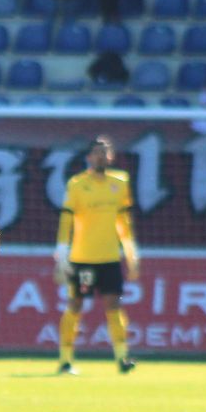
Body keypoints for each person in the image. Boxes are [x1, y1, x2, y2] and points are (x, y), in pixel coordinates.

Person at [53, 136, 138, 375]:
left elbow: (124, 222)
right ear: (89, 157)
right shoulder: (77, 184)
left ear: (111, 156)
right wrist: (61, 255)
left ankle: (122, 359)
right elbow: (66, 220)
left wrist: (132, 254)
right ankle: (65, 359)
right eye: (97, 152)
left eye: (105, 152)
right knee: (76, 305)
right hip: (84, 260)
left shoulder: (120, 182)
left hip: (109, 258)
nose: (101, 156)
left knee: (114, 305)